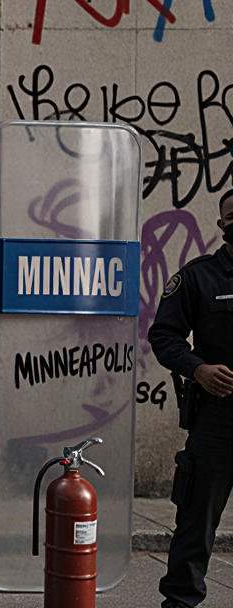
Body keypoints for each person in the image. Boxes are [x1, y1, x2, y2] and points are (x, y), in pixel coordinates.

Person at [150, 188, 233, 608]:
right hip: (218, 421)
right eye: (232, 215)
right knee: (196, 523)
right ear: (222, 226)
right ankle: (180, 601)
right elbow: (163, 335)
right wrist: (197, 368)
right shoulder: (198, 276)